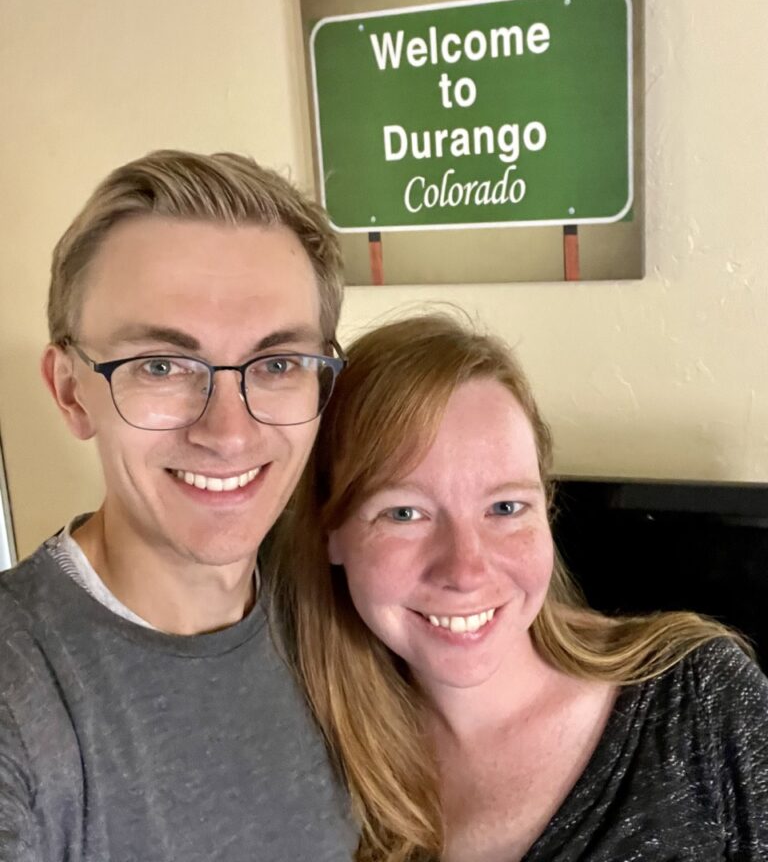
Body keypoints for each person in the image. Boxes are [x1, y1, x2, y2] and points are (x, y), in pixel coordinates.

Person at [270, 313, 768, 862]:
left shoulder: (699, 702)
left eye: (506, 507)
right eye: (404, 512)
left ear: (546, 511)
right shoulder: (317, 780)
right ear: (331, 534)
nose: (465, 569)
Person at [0, 150, 356, 862]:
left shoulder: (340, 608)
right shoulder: (19, 693)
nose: (229, 433)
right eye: (161, 366)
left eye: (278, 364)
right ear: (71, 392)